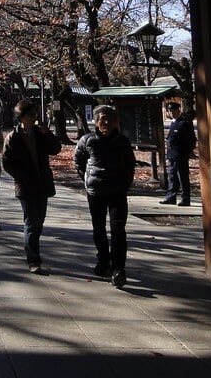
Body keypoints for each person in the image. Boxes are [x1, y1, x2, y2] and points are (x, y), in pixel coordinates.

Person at [74, 104, 137, 289]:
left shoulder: (122, 141)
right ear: (96, 121)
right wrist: (87, 179)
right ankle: (103, 260)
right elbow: (78, 160)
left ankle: (118, 268)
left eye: (110, 119)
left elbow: (130, 164)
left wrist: (125, 182)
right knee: (98, 228)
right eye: (103, 119)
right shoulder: (88, 140)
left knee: (118, 230)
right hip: (96, 192)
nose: (107, 122)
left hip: (118, 191)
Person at [1, 99, 61, 273]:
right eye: (31, 115)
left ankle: (32, 250)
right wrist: (22, 178)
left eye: (35, 114)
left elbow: (55, 149)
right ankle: (33, 258)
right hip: (26, 185)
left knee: (39, 221)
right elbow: (7, 162)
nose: (35, 118)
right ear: (21, 117)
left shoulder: (39, 133)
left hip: (42, 183)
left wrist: (47, 133)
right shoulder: (13, 137)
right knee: (31, 221)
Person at [160, 100, 196, 205]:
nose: (171, 112)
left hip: (180, 155)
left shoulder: (184, 123)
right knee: (172, 177)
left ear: (178, 110)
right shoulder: (173, 123)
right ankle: (171, 197)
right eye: (169, 110)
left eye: (173, 110)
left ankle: (185, 198)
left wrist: (187, 152)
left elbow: (191, 140)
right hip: (171, 155)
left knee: (182, 177)